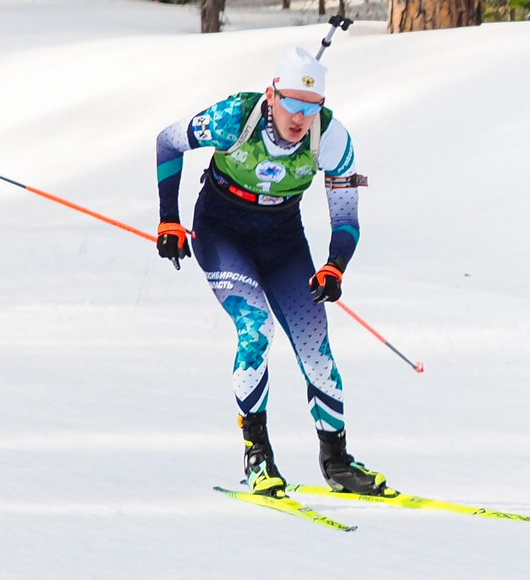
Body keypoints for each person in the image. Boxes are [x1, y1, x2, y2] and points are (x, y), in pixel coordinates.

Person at [153, 47, 389, 497]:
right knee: (256, 329)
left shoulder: (332, 138)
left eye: (311, 107)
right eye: (291, 104)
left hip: (282, 242)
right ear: (272, 95)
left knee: (316, 348)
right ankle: (257, 457)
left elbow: (346, 219)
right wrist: (168, 217)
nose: (299, 118)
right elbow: (167, 141)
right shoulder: (233, 118)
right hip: (222, 234)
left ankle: (336, 461)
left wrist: (334, 267)